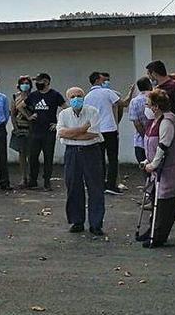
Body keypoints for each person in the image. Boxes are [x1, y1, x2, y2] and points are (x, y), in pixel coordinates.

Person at [137, 89, 175, 248]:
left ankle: (159, 235)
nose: (146, 107)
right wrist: (148, 161)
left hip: (172, 167)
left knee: (166, 201)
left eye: (148, 104)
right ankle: (152, 230)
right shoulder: (154, 120)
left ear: (155, 107)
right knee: (155, 198)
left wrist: (154, 164)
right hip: (158, 167)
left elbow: (164, 145)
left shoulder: (167, 120)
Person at [57, 87, 105, 236]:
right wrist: (82, 129)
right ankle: (77, 221)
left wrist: (72, 134)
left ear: (84, 97)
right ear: (68, 99)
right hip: (72, 153)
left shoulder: (93, 111)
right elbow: (61, 133)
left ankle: (96, 224)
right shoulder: (64, 114)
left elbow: (93, 134)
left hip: (91, 152)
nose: (76, 99)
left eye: (79, 96)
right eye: (73, 96)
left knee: (95, 188)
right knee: (73, 187)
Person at [83, 71, 123, 195]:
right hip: (109, 129)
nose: (105, 81)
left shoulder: (88, 96)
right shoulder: (107, 92)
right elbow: (121, 103)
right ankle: (111, 184)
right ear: (97, 80)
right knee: (112, 158)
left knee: (99, 159)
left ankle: (99, 183)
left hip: (96, 130)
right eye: (102, 79)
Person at [26, 73, 67, 191]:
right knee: (33, 157)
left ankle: (47, 181)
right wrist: (29, 116)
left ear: (47, 81)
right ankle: (32, 180)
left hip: (49, 131)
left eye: (40, 81)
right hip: (35, 130)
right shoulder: (33, 95)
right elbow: (21, 106)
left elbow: (66, 108)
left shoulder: (55, 95)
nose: (37, 84)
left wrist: (58, 124)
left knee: (48, 157)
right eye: (36, 81)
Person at [10, 75, 35, 188]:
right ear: (19, 85)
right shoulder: (15, 96)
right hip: (20, 128)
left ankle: (31, 178)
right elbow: (13, 114)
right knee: (22, 154)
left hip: (32, 128)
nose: (25, 85)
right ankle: (23, 177)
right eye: (23, 83)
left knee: (31, 154)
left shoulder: (34, 97)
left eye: (27, 83)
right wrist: (15, 128)